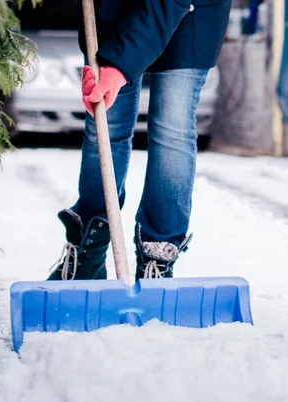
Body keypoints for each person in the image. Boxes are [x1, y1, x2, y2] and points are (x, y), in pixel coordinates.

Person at [47, 0, 230, 281]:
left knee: (173, 128)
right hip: (114, 12)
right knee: (104, 122)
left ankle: (157, 253)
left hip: (193, 14)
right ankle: (89, 247)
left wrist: (118, 68)